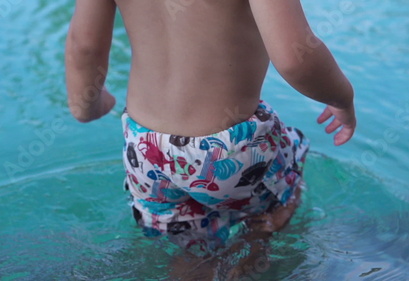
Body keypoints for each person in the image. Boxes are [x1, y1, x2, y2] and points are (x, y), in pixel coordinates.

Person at [65, 0, 356, 277]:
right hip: (231, 148)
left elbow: (84, 46)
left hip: (145, 151)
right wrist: (342, 98)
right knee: (288, 175)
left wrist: (86, 106)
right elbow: (294, 58)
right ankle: (257, 241)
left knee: (192, 254)